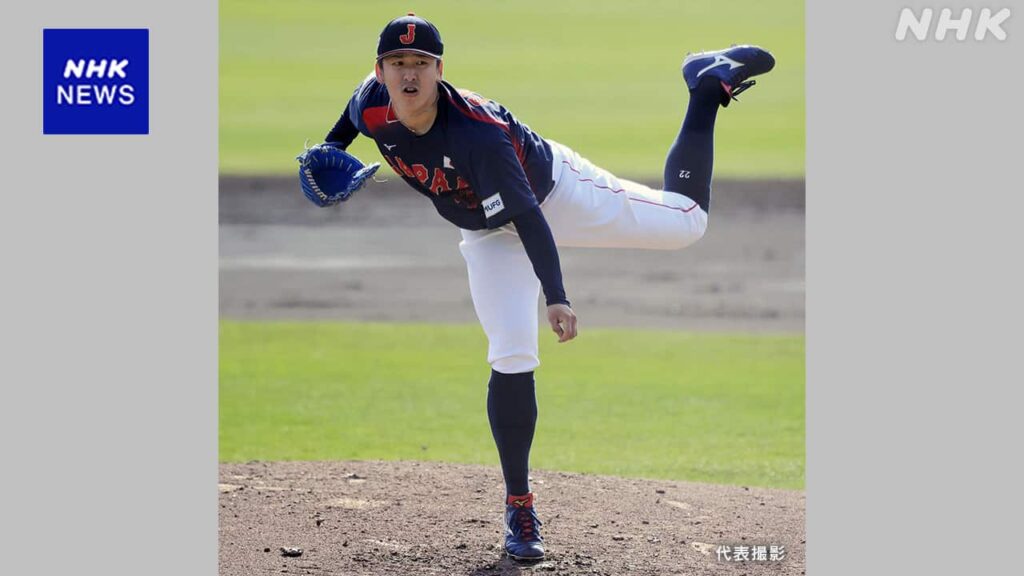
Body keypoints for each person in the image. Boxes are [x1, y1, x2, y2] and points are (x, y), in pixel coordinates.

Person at [321, 12, 775, 561]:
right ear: (380, 71)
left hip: (554, 195)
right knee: (511, 354)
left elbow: (530, 218)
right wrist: (331, 151)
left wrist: (556, 295)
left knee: (686, 224)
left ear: (440, 70)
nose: (408, 74)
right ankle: (520, 507)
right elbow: (343, 129)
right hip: (485, 232)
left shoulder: (478, 135)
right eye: (397, 63)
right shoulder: (370, 103)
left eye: (421, 63)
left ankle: (704, 87)